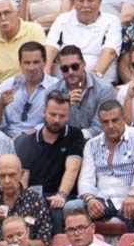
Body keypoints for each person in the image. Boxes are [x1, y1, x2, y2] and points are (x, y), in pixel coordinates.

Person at [14, 91, 84, 233]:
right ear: (43, 112)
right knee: (23, 217)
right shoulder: (26, 141)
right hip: (35, 196)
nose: (57, 120)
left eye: (62, 116)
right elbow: (23, 179)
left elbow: (72, 169)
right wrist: (26, 201)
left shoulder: (75, 135)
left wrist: (61, 195)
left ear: (68, 116)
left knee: (57, 211)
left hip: (62, 196)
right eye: (52, 114)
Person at [75, 100, 134, 225]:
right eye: (105, 122)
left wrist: (133, 194)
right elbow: (85, 179)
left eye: (115, 120)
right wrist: (89, 199)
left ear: (124, 118)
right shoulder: (91, 144)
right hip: (102, 200)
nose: (110, 126)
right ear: (100, 123)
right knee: (72, 207)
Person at [44, 0, 120, 81]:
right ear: (74, 2)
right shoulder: (63, 19)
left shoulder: (111, 21)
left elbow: (110, 52)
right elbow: (50, 48)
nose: (85, 5)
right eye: (81, 0)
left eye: (90, 0)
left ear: (99, 2)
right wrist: (45, 77)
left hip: (99, 85)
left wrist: (90, 83)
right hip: (63, 84)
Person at [0, 153, 53, 246]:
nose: (7, 180)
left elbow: (44, 244)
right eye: (2, 176)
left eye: (12, 175)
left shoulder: (35, 201)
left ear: (21, 174)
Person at [0, 41, 61, 139]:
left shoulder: (56, 87)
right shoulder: (7, 85)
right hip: (7, 139)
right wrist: (0, 105)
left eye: (36, 62)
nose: (31, 68)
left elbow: (58, 122)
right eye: (27, 63)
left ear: (45, 62)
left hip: (40, 139)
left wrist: (24, 137)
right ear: (20, 64)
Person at [0, 0, 47, 90]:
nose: (3, 18)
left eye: (6, 13)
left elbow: (41, 64)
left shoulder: (33, 30)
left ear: (16, 13)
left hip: (27, 84)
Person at [55, 45, 114, 140]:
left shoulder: (104, 89)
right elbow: (52, 127)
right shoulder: (53, 91)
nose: (70, 72)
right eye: (65, 69)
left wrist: (74, 138)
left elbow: (100, 127)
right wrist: (64, 107)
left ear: (84, 64)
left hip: (96, 144)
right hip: (62, 144)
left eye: (75, 67)